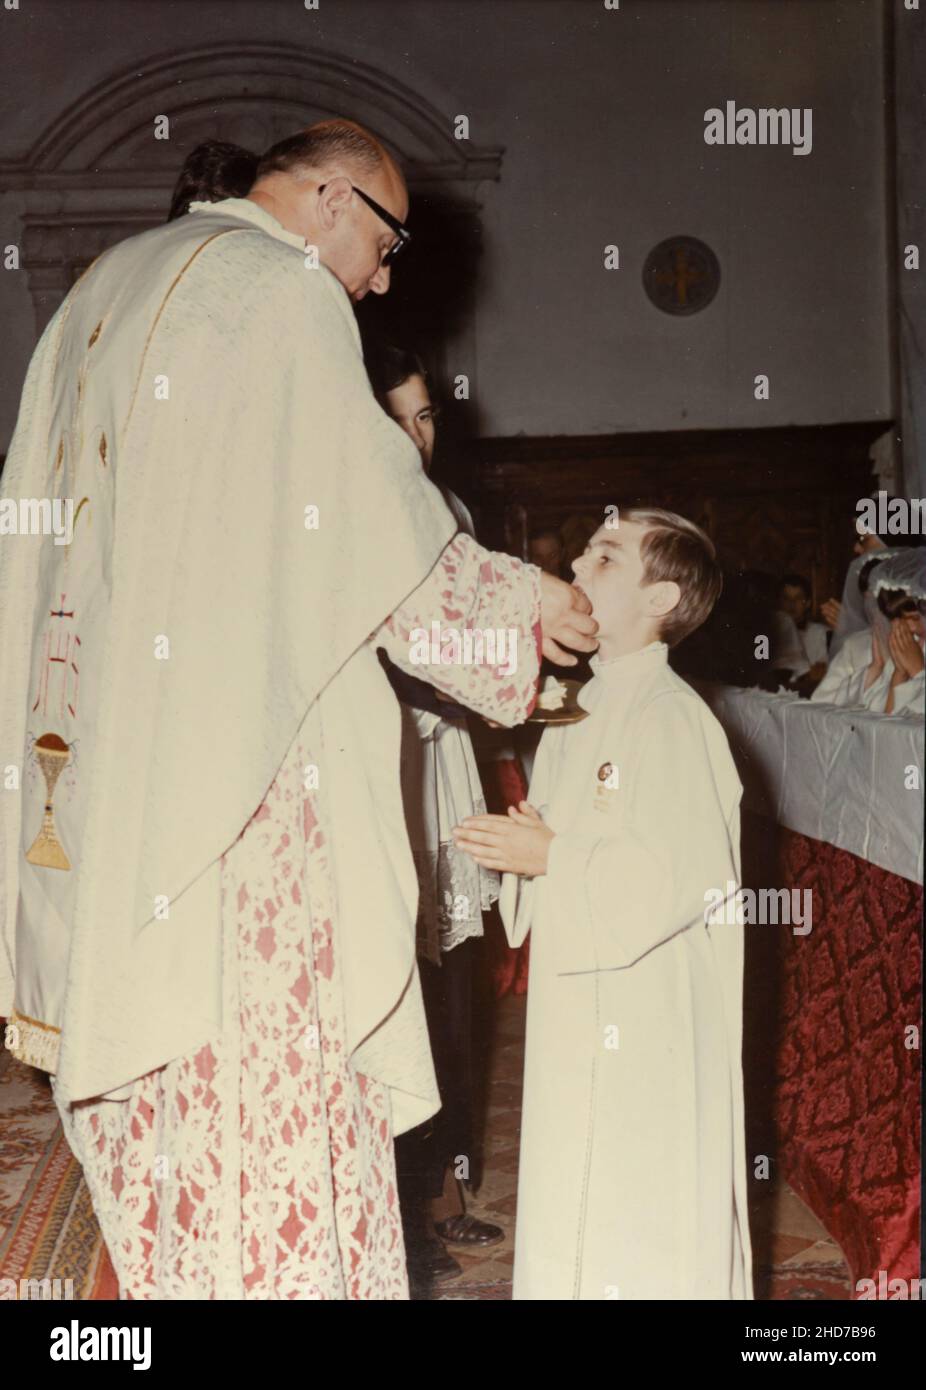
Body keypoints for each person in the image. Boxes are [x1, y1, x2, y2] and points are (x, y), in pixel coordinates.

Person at [0, 120, 597, 1300]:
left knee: (168, 1108)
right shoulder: (277, 293)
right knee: (266, 1114)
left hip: (114, 774)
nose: (381, 278)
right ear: (328, 198)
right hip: (242, 789)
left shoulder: (100, 291)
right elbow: (374, 535)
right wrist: (527, 616)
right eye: (384, 244)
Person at [453, 509, 753, 1300]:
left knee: (639, 1203)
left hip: (649, 1009)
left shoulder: (674, 717)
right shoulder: (578, 713)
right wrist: (531, 846)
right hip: (578, 1000)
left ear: (660, 600)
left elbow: (686, 877)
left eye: (606, 558)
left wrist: (552, 855)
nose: (578, 567)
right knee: (579, 1190)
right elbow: (574, 848)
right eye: (582, 549)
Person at [368, 345, 504, 1284]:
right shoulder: (350, 510)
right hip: (380, 770)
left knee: (454, 990)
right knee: (385, 991)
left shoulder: (449, 516)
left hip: (443, 770)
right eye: (398, 418)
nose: (417, 436)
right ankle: (392, 1210)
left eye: (427, 418)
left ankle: (448, 1194)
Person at [772, 574, 829, 692]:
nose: (791, 604)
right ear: (779, 601)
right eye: (786, 598)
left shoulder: (820, 633)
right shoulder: (771, 632)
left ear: (807, 603)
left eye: (798, 598)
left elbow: (821, 672)